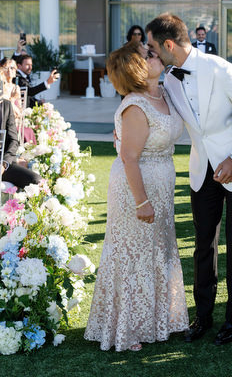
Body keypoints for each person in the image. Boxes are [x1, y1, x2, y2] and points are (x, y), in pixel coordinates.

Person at [145, 13, 232, 346]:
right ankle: (203, 316)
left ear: (168, 44)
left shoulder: (223, 69)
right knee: (202, 245)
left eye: (153, 48)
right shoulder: (169, 79)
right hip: (201, 171)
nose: (151, 54)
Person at [85, 43, 188, 351]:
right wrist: (142, 201)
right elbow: (129, 157)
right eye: (147, 56)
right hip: (135, 189)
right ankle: (127, 328)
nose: (153, 56)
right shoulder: (135, 105)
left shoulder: (166, 93)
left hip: (163, 183)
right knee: (133, 254)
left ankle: (158, 319)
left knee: (158, 249)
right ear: (136, 69)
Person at [0, 96, 40, 189]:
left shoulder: (6, 105)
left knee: (36, 181)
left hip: (3, 163)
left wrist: (4, 163)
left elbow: (13, 140)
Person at [0, 58, 36, 143]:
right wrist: (12, 100)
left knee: (29, 131)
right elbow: (6, 109)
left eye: (12, 68)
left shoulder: (16, 88)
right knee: (21, 132)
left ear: (16, 70)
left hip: (15, 121)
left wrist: (18, 113)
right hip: (4, 123)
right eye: (6, 68)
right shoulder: (2, 88)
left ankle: (25, 155)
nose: (9, 71)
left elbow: (20, 110)